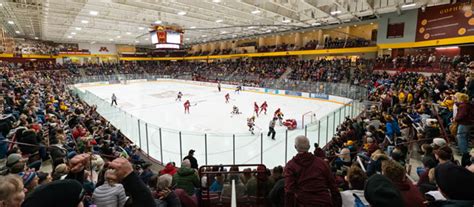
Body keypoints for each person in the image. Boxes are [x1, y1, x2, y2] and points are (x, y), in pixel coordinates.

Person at [285, 136, 341, 207]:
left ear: (295, 147)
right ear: (309, 147)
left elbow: (289, 192)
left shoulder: (290, 166)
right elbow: (333, 186)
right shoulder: (322, 163)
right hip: (324, 203)